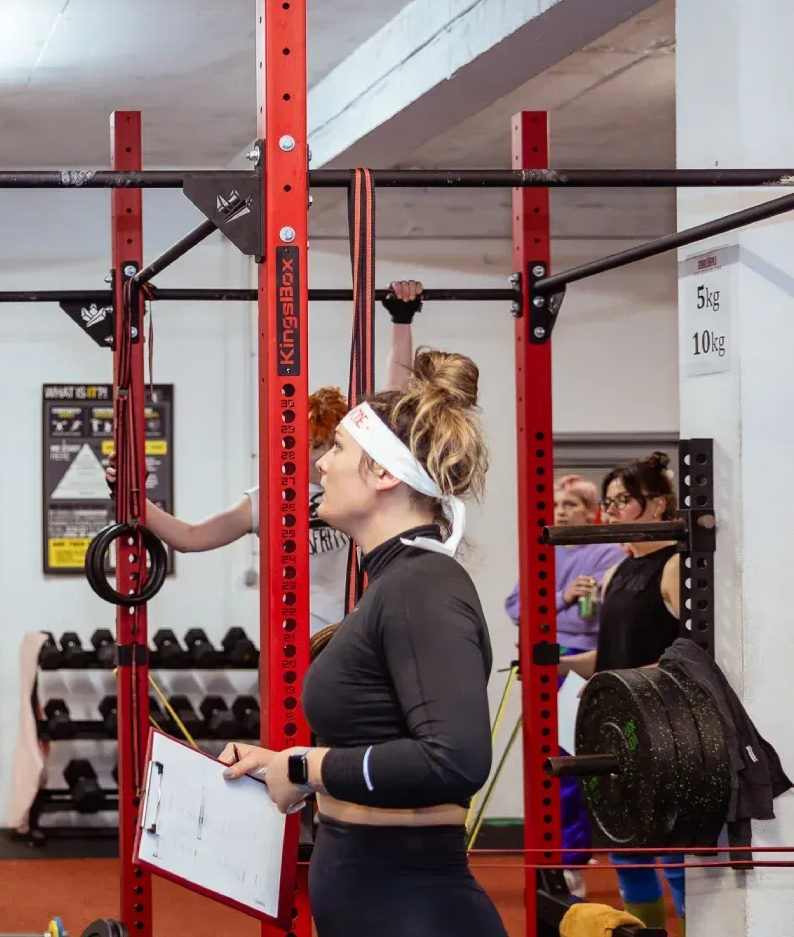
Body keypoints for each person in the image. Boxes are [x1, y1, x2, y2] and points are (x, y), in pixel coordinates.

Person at [218, 349, 505, 937]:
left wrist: (304, 765)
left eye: (338, 450)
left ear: (383, 474)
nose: (321, 466)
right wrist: (281, 764)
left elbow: (455, 760)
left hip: (413, 909)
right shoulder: (392, 585)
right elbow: (381, 744)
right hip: (370, 894)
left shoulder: (421, 587)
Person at [105, 280, 427, 633]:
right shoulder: (269, 500)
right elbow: (190, 538)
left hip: (360, 633)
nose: (324, 459)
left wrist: (401, 319)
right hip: (296, 645)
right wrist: (128, 494)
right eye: (319, 447)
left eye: (334, 446)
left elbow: (394, 407)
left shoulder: (360, 484)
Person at [557, 453, 685, 928]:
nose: (609, 514)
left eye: (621, 502)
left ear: (658, 505)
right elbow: (609, 655)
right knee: (628, 857)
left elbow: (689, 656)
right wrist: (558, 661)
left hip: (665, 732)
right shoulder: (616, 573)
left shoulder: (675, 568)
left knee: (675, 860)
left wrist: (624, 684)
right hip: (615, 733)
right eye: (607, 504)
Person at [502, 473, 624, 894]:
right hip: (542, 666)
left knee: (567, 764)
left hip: (582, 669)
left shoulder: (608, 552)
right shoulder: (543, 552)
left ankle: (571, 860)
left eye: (569, 505)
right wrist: (561, 598)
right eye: (555, 505)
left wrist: (577, 602)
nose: (559, 512)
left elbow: (604, 613)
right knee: (544, 763)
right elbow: (516, 607)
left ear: (592, 512)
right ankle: (550, 855)